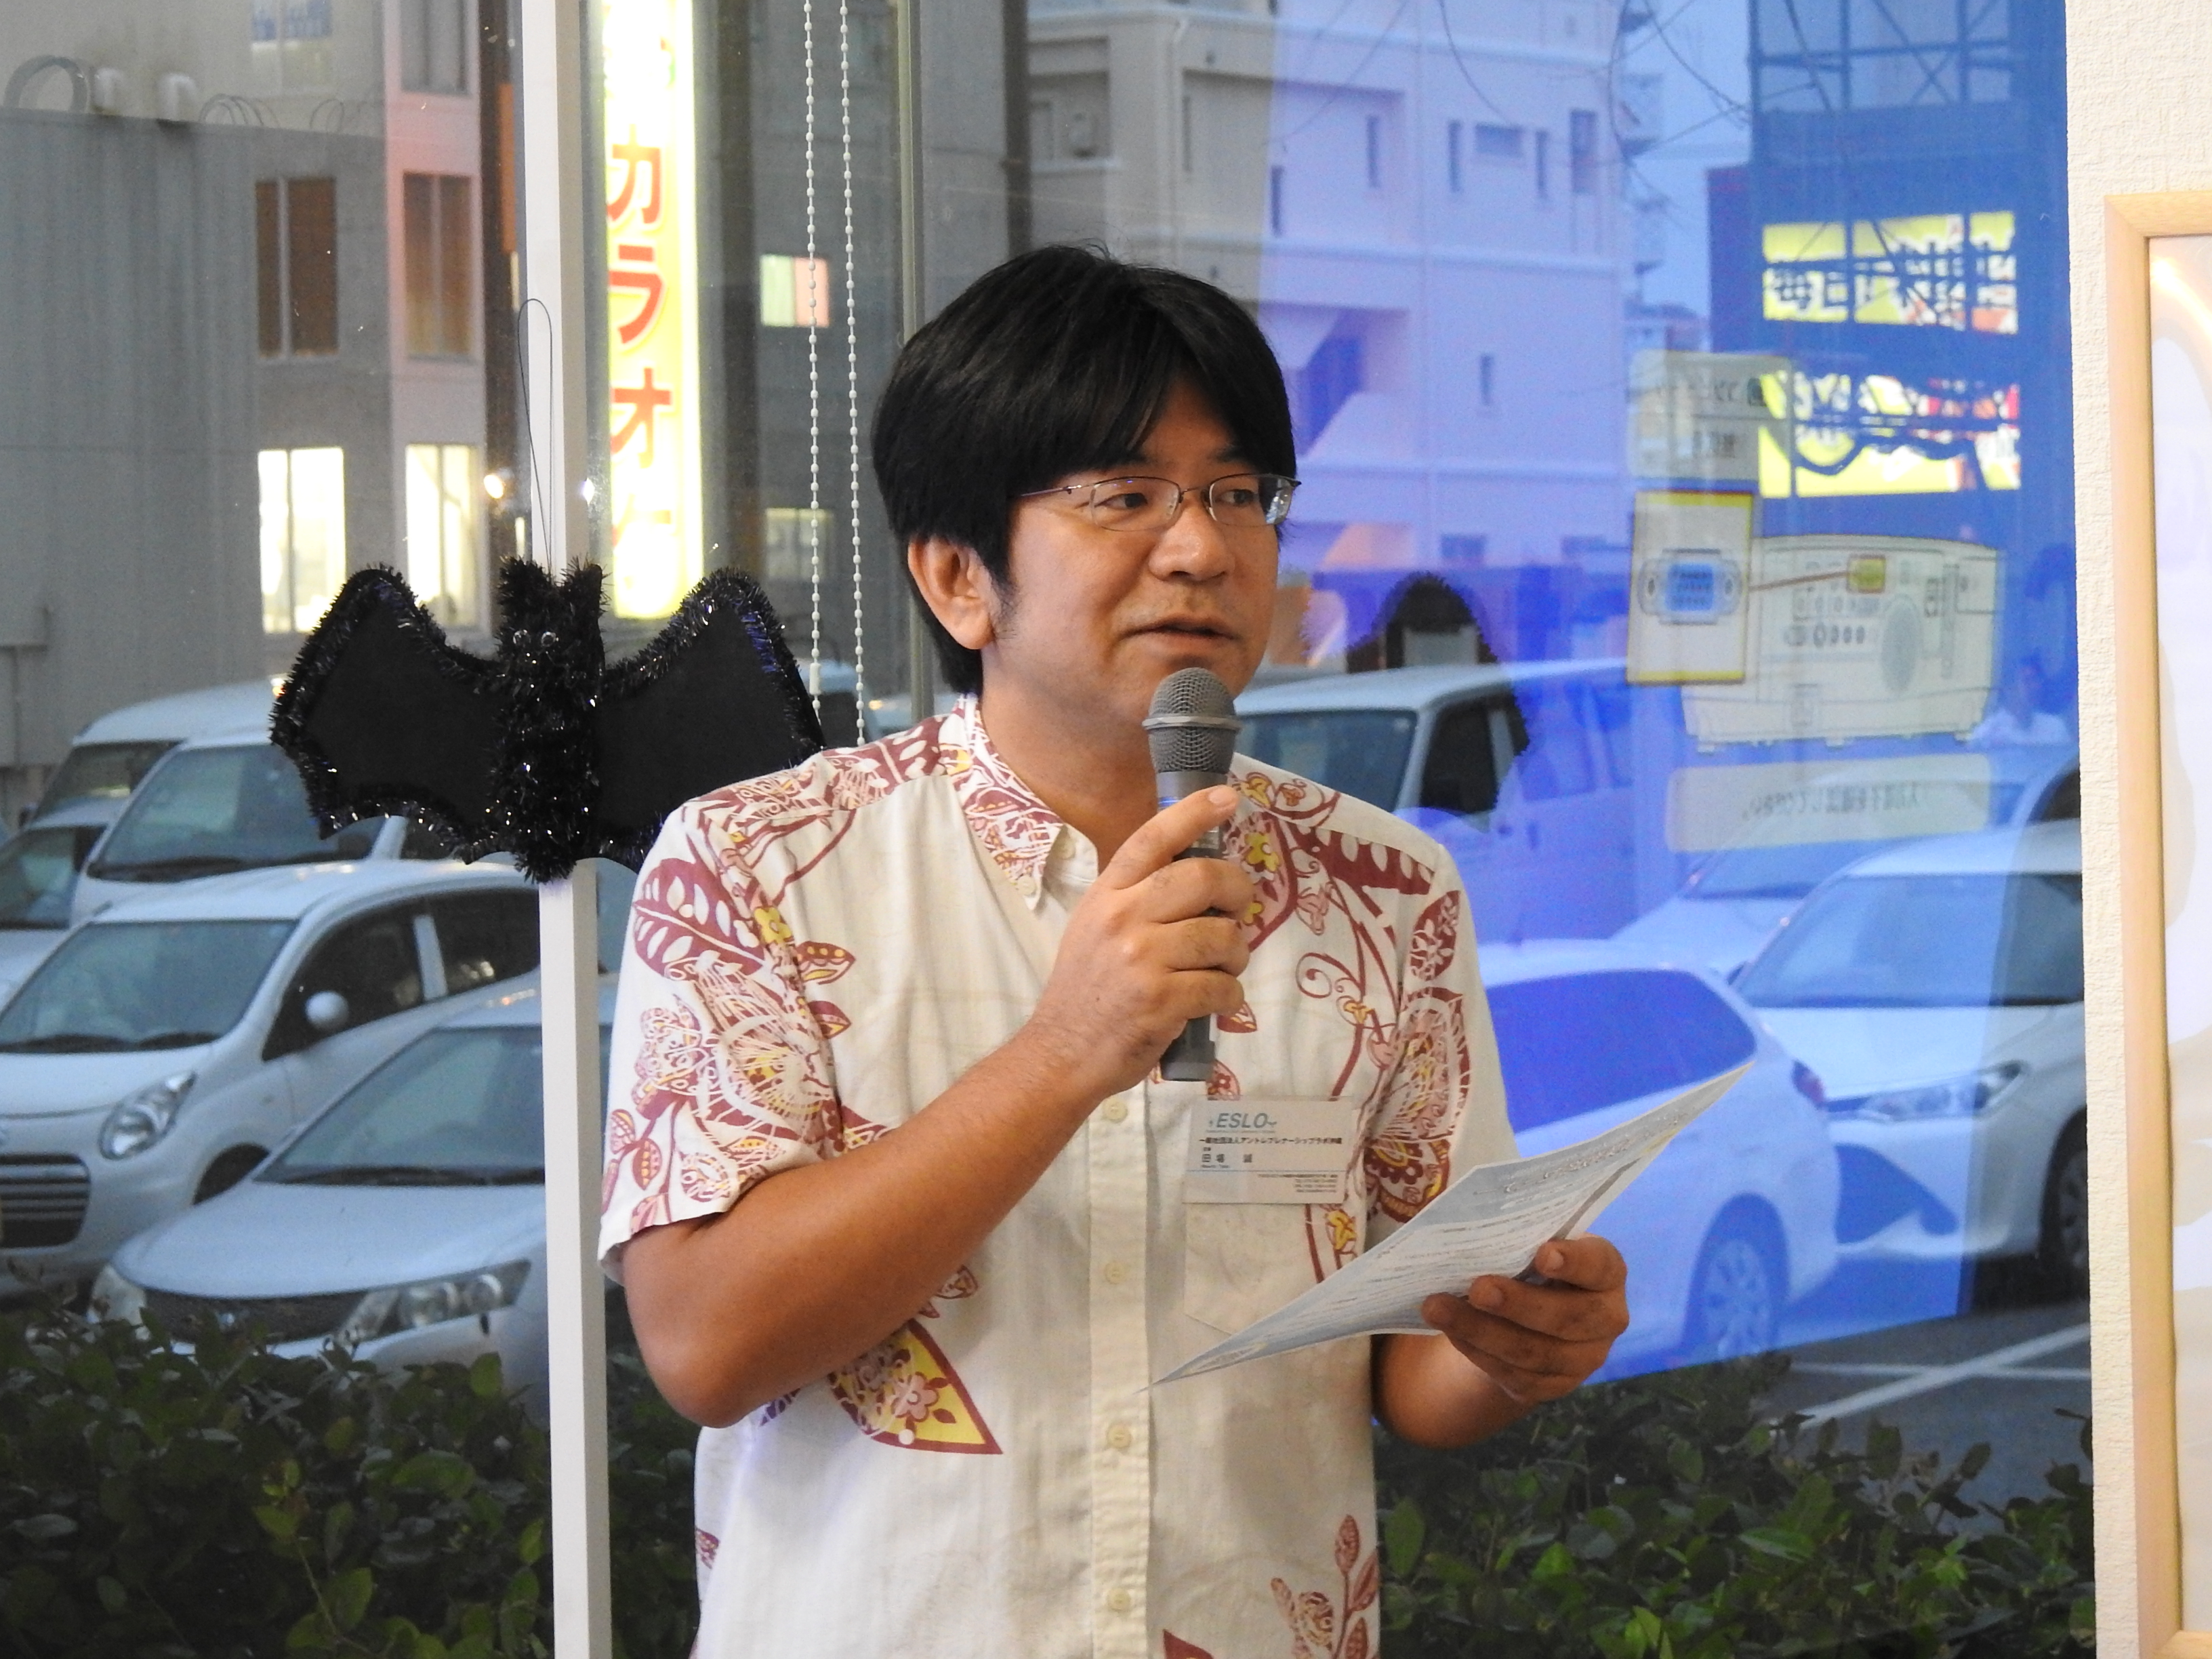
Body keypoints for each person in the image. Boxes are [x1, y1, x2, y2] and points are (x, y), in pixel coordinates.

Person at [602, 245, 1630, 1658]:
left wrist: (1517, 1347)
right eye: (1124, 495)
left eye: (1237, 494)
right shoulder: (757, 866)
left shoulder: (1385, 891)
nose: (1200, 548)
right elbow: (707, 1345)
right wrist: (1065, 1053)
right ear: (959, 578)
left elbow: (1415, 1364)